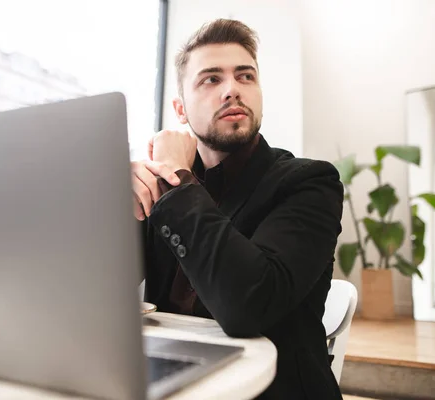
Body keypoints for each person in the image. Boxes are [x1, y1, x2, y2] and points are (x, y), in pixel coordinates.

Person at [131, 19, 344, 399]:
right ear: (180, 109)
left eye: (245, 76)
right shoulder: (163, 186)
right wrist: (122, 201)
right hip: (172, 379)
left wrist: (180, 179)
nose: (232, 90)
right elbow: (96, 285)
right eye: (211, 79)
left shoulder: (309, 182)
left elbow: (248, 305)